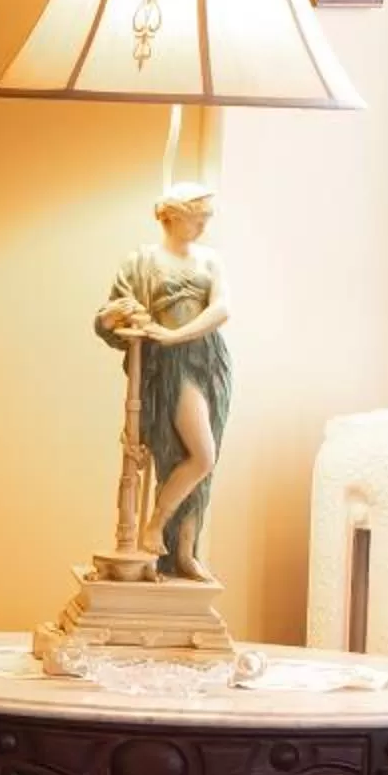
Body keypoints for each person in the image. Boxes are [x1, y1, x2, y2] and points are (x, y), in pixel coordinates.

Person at [94, 183, 234, 582]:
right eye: (197, 220)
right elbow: (111, 318)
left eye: (207, 221)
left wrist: (175, 334)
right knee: (196, 455)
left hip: (208, 363)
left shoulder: (210, 261)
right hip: (169, 369)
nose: (203, 229)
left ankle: (184, 550)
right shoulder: (141, 263)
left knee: (208, 460)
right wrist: (111, 319)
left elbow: (223, 307)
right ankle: (153, 529)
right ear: (172, 216)